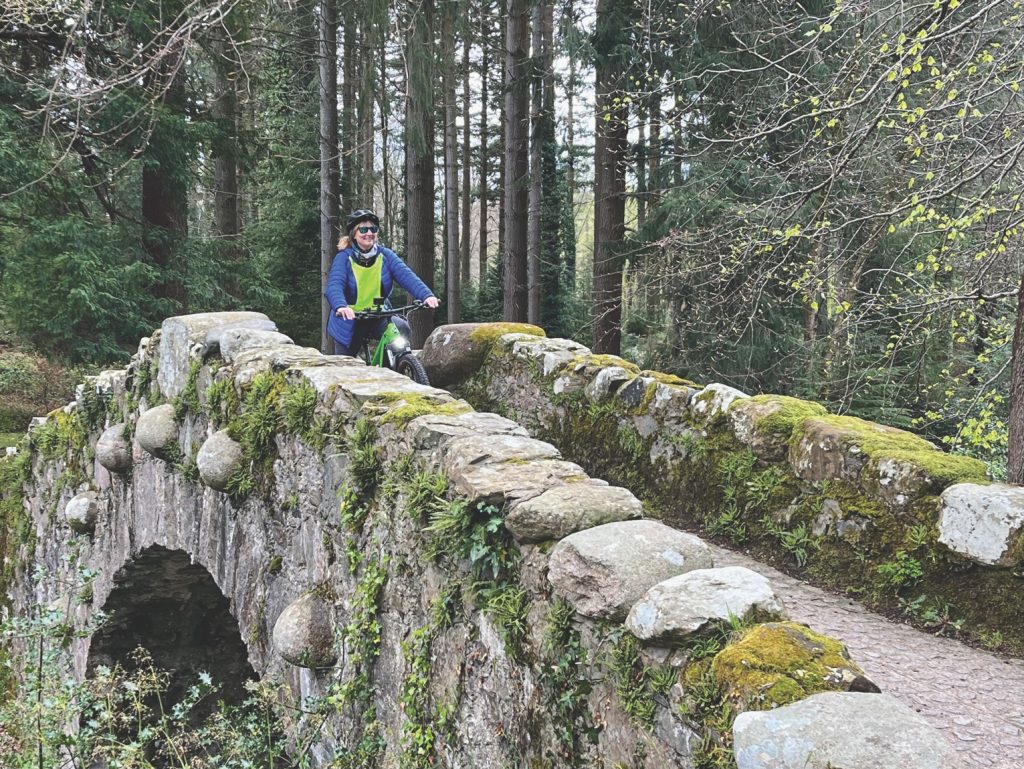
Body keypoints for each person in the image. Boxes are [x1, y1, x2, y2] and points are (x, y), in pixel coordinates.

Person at [325, 209, 440, 357]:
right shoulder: (343, 258)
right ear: (354, 234)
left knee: (401, 329)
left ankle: (393, 366)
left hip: (378, 317)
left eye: (373, 229)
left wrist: (426, 295)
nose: (369, 233)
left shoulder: (385, 255)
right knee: (344, 366)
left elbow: (407, 276)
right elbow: (334, 285)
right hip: (350, 320)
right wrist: (341, 306)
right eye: (363, 229)